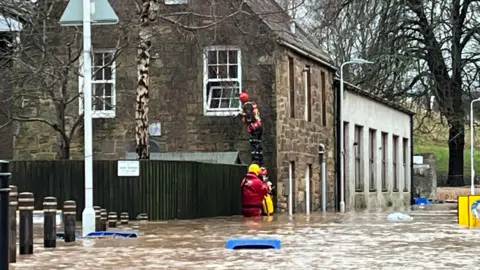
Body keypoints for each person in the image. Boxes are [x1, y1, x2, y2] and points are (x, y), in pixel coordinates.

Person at [238, 92, 264, 166]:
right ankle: (259, 160)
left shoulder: (247, 106)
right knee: (258, 143)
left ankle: (256, 161)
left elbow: (248, 117)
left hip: (254, 127)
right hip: (258, 126)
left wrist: (243, 116)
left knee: (254, 144)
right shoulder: (252, 104)